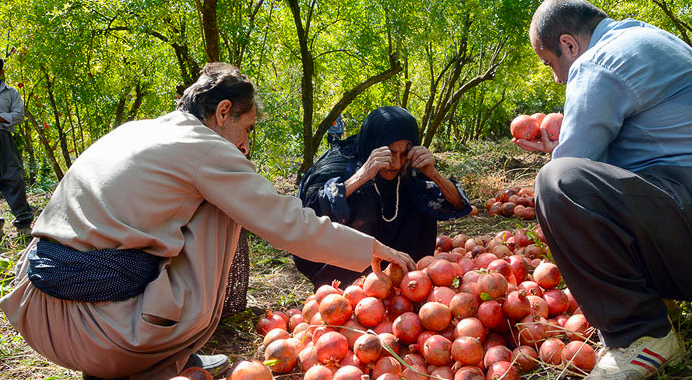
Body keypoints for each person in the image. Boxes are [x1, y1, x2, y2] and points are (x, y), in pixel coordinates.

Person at [0, 63, 416, 380]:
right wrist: (372, 248)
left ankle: (170, 354)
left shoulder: (141, 131)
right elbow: (289, 224)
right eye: (247, 128)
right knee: (228, 206)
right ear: (221, 112)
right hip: (98, 333)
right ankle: (166, 349)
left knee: (213, 199)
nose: (246, 144)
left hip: (37, 309)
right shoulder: (205, 149)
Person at [515, 1, 692, 379]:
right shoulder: (645, 39)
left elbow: (570, 176)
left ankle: (641, 337)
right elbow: (618, 173)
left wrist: (559, 158)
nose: (557, 80)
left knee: (554, 183)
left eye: (549, 63)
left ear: (569, 44)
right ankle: (657, 315)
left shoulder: (598, 62)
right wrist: (565, 153)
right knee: (569, 178)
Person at [294, 106, 471, 288]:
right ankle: (350, 289)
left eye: (403, 154)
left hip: (404, 273)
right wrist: (363, 175)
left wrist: (433, 174)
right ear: (374, 146)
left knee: (417, 195)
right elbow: (308, 214)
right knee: (363, 202)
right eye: (390, 153)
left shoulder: (409, 167)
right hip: (347, 270)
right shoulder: (337, 164)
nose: (395, 164)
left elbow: (458, 204)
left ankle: (409, 281)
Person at [0, 58, 34, 236]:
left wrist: (0, 118)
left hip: (4, 138)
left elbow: (19, 115)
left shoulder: (11, 93)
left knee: (13, 177)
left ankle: (23, 223)